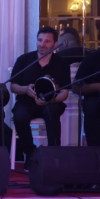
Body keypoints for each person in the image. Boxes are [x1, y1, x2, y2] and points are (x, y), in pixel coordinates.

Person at [10, 26, 71, 161]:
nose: (42, 44)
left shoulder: (62, 63)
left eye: (47, 41)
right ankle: (31, 154)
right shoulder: (24, 60)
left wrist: (50, 100)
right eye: (39, 40)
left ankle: (53, 156)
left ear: (55, 43)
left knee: (51, 113)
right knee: (19, 117)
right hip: (27, 101)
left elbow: (64, 93)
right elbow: (13, 86)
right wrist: (25, 89)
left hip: (52, 103)